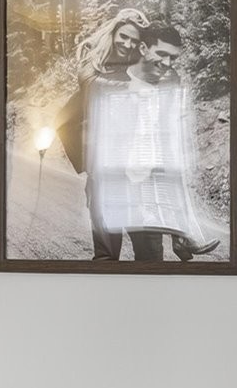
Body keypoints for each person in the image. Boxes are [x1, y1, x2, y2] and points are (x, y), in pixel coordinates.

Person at [88, 24, 219, 261]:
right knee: (106, 259)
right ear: (143, 48)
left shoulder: (171, 81)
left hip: (147, 186)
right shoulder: (108, 80)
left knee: (151, 261)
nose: (167, 63)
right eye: (162, 54)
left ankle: (181, 237)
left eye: (173, 58)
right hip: (110, 183)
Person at [58, 8, 149, 259]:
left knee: (150, 252)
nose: (128, 44)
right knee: (107, 253)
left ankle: (182, 243)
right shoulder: (93, 67)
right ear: (113, 33)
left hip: (136, 173)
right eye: (124, 36)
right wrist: (88, 164)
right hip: (105, 171)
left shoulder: (140, 67)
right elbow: (67, 119)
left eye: (134, 40)